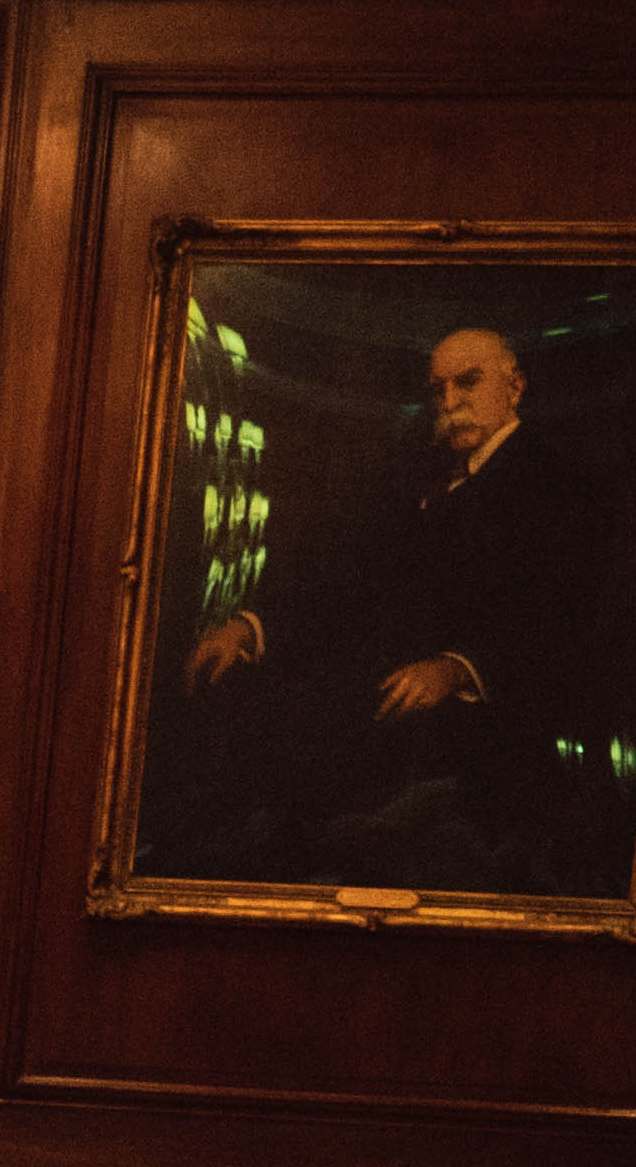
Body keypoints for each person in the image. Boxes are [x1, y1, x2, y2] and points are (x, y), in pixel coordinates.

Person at [168, 320, 610, 890]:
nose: (449, 402)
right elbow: (350, 579)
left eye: (467, 382)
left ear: (515, 388)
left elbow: (561, 617)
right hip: (382, 700)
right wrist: (251, 626)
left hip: (483, 733)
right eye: (438, 389)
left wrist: (457, 669)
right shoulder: (422, 473)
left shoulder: (556, 483)